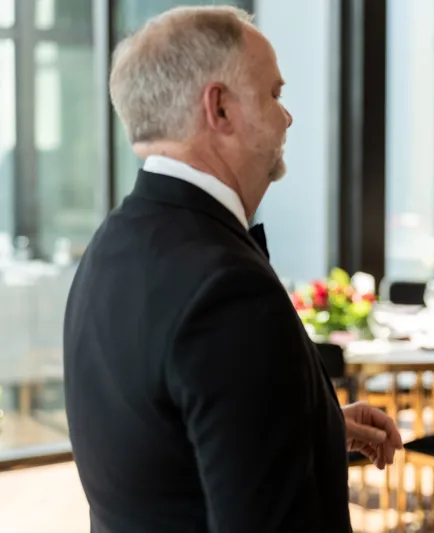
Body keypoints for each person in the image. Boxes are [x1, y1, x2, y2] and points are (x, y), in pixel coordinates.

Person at [62, 6, 402, 533]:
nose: (287, 118)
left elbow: (169, 443)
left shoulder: (111, 243)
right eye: (274, 94)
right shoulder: (228, 288)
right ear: (219, 108)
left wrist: (315, 427)